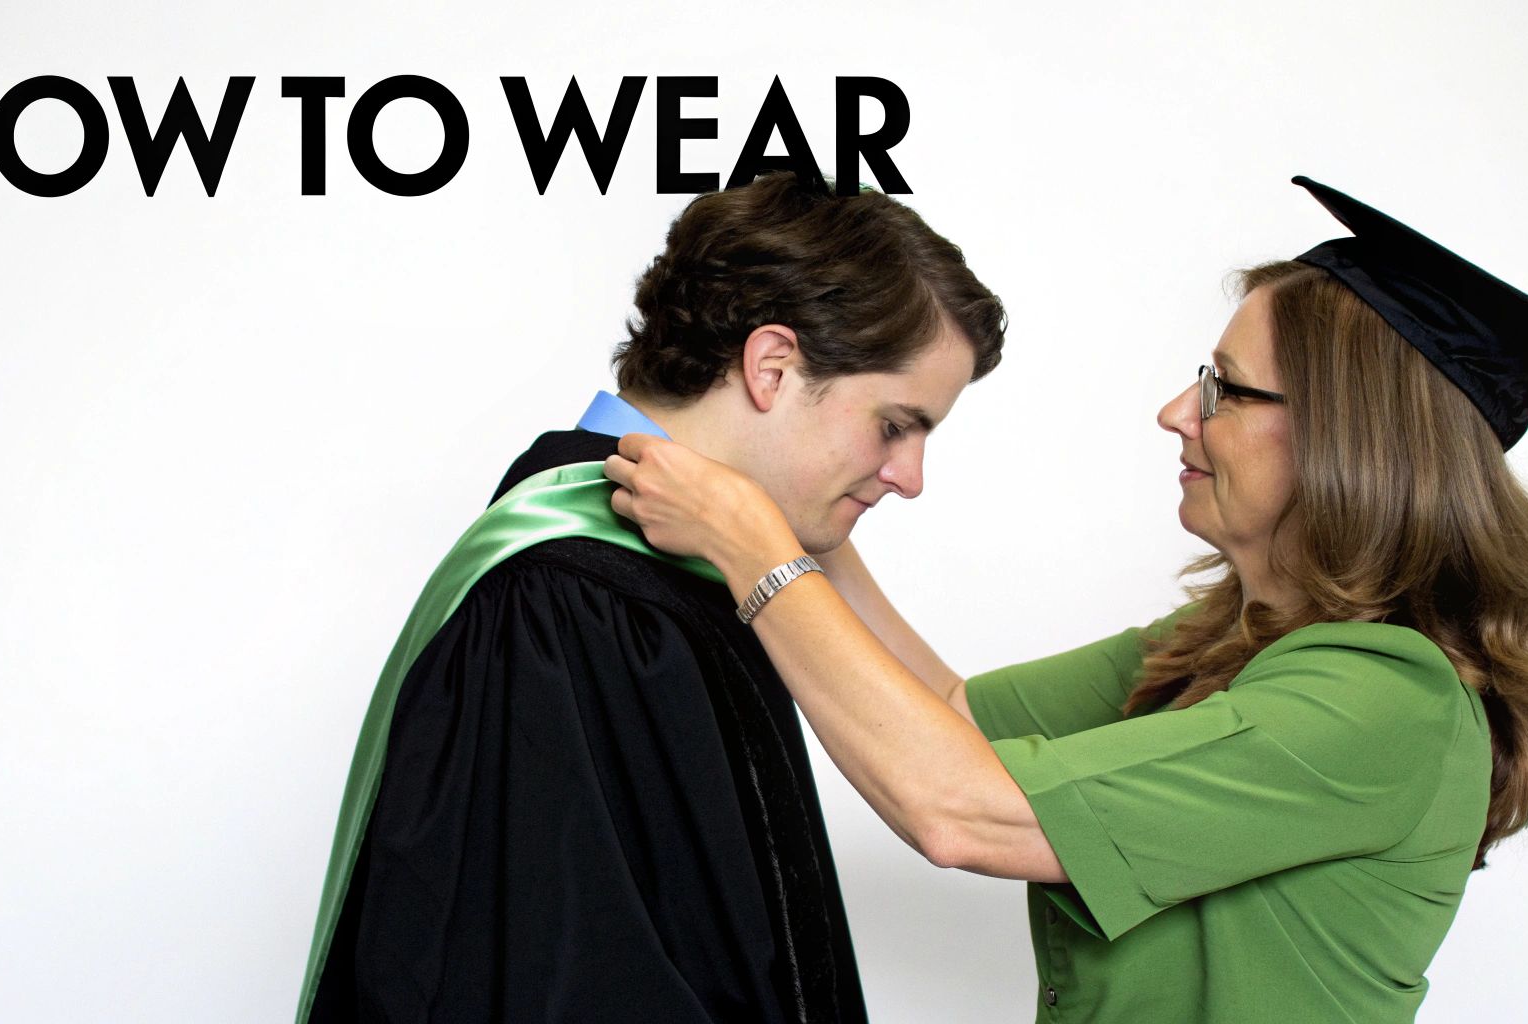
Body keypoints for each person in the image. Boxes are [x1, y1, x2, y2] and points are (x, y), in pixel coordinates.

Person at [606, 176, 1528, 1022]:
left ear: (1348, 441)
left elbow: (958, 808)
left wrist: (752, 550)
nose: (1176, 412)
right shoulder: (1230, 643)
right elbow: (950, 718)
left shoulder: (1385, 705)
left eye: (1225, 388)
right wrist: (794, 510)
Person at [294, 171, 1007, 1023]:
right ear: (772, 366)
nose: (910, 477)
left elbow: (950, 721)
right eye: (894, 425)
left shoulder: (716, 566)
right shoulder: (563, 599)